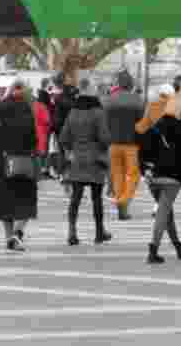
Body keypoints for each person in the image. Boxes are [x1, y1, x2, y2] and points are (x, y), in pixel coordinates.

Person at [139, 87, 181, 264]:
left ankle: (177, 245)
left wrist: (144, 169)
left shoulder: (156, 126)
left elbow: (143, 147)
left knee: (166, 211)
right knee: (163, 212)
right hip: (172, 177)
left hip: (153, 176)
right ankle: (153, 250)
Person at [59, 78, 112, 246]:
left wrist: (71, 150)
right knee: (97, 198)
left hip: (77, 159)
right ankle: (99, 232)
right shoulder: (98, 112)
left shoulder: (72, 112)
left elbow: (63, 138)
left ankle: (72, 232)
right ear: (90, 90)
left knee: (76, 197)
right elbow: (104, 137)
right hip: (95, 159)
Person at [0, 80, 39, 250]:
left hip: (4, 160)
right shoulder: (27, 108)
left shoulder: (1, 108)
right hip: (25, 160)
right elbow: (33, 138)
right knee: (26, 199)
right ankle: (17, 232)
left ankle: (8, 236)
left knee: (5, 200)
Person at [104, 70, 144, 219]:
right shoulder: (137, 100)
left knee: (117, 176)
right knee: (133, 176)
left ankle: (122, 206)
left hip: (113, 145)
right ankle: (123, 202)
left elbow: (104, 123)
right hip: (131, 145)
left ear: (119, 84)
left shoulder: (108, 100)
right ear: (131, 84)